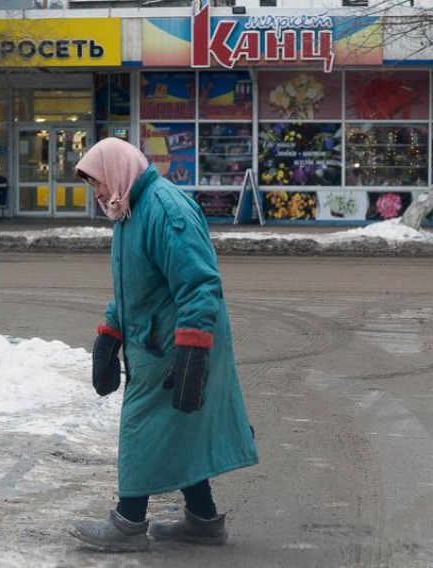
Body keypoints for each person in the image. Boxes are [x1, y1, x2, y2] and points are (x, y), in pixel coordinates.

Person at [68, 138, 259, 552]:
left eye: (98, 182)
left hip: (177, 342)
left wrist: (192, 349)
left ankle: (128, 523)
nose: (98, 193)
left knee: (139, 425)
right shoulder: (129, 209)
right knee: (179, 426)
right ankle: (204, 521)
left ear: (118, 171)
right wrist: (110, 333)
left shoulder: (164, 209)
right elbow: (133, 285)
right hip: (154, 339)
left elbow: (200, 283)